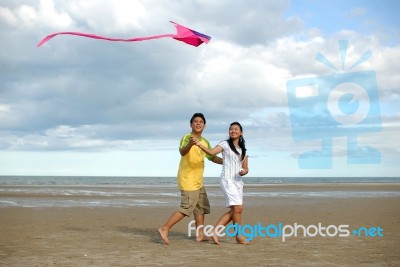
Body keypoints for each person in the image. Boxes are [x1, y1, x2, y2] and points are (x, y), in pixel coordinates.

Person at [158, 113, 223, 245]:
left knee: (201, 208)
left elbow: (212, 157)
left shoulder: (205, 142)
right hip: (187, 179)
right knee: (187, 207)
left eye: (201, 122)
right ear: (191, 124)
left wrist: (227, 162)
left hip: (198, 181)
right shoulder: (187, 137)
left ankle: (200, 235)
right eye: (195, 121)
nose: (198, 123)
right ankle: (165, 229)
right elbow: (182, 151)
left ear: (204, 125)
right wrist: (190, 144)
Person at [195, 121, 249, 245]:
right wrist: (199, 145)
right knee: (238, 208)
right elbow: (212, 153)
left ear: (241, 132)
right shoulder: (224, 144)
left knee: (235, 211)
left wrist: (243, 172)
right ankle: (239, 236)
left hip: (238, 182)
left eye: (236, 129)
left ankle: (215, 231)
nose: (233, 131)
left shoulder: (244, 150)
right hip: (227, 180)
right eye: (231, 129)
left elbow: (246, 167)